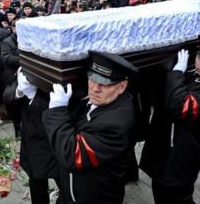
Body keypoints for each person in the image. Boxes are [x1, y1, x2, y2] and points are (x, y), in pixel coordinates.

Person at [140, 35, 200, 204]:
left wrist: (177, 73)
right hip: (167, 147)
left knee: (177, 195)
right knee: (160, 187)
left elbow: (179, 106)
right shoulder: (199, 73)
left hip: (183, 154)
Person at [42, 50, 138, 204]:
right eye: (92, 79)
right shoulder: (109, 99)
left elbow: (72, 154)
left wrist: (57, 111)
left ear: (122, 87)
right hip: (73, 191)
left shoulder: (115, 126)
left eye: (104, 84)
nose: (95, 88)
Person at [3, 68, 60, 203]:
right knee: (37, 184)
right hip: (33, 140)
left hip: (56, 137)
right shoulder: (26, 66)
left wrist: (33, 95)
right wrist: (20, 91)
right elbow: (8, 96)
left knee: (67, 186)